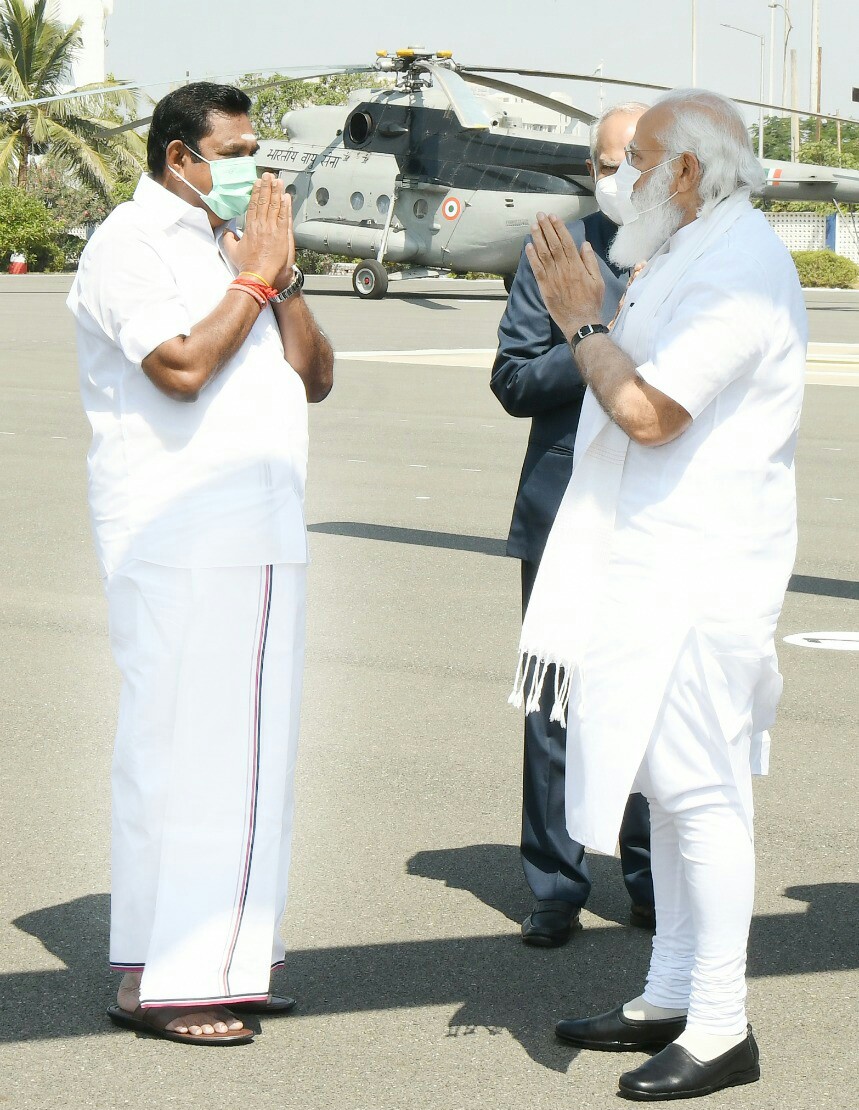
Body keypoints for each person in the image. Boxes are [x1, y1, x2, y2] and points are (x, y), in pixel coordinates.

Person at [513, 88, 806, 1099]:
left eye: (635, 159)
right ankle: (670, 993)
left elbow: (646, 412)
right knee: (669, 799)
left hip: (702, 568)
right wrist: (595, 313)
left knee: (703, 797)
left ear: (684, 172)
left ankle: (721, 1026)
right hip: (651, 562)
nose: (620, 177)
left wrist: (581, 318)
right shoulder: (683, 252)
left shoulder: (742, 272)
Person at [67, 83, 334, 1046]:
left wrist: (282, 279)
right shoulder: (127, 246)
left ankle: (216, 960)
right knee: (183, 757)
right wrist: (253, 283)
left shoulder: (237, 248)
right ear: (181, 157)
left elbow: (316, 376)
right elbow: (177, 369)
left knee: (249, 762)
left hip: (258, 535)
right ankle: (175, 976)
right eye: (236, 152)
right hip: (179, 537)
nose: (253, 170)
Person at [491, 103, 655, 948]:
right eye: (601, 161)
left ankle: (649, 877)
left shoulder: (690, 251)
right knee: (554, 706)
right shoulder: (556, 250)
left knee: (651, 701)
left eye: (629, 158)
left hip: (660, 515)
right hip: (564, 513)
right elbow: (513, 380)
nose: (614, 175)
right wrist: (594, 340)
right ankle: (554, 884)